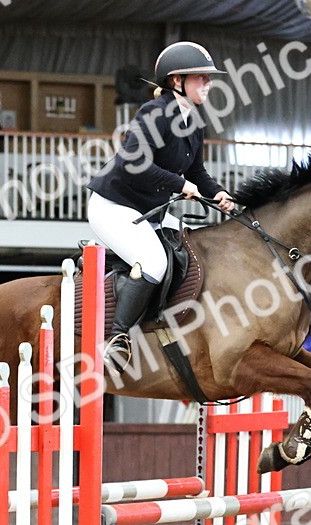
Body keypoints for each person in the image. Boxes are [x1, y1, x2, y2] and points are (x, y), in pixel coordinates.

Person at [87, 41, 235, 370]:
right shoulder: (154, 114)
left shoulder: (195, 123)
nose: (208, 84)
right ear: (176, 81)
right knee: (154, 263)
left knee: (185, 254)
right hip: (113, 206)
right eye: (201, 78)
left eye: (209, 78)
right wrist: (179, 185)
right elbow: (133, 163)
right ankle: (117, 338)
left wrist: (221, 195)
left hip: (148, 212)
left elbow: (197, 173)